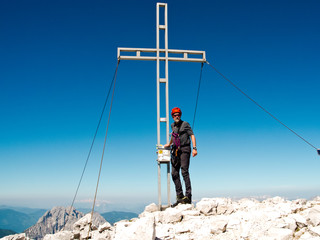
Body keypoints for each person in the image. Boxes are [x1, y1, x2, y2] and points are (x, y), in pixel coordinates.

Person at [164, 107, 197, 206]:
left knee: (184, 171)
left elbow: (192, 135)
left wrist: (194, 148)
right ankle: (180, 197)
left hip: (185, 149)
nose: (176, 116)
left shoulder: (185, 124)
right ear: (172, 116)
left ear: (180, 115)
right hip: (176, 151)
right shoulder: (172, 125)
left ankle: (188, 197)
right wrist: (169, 144)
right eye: (174, 115)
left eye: (178, 114)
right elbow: (173, 136)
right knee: (174, 173)